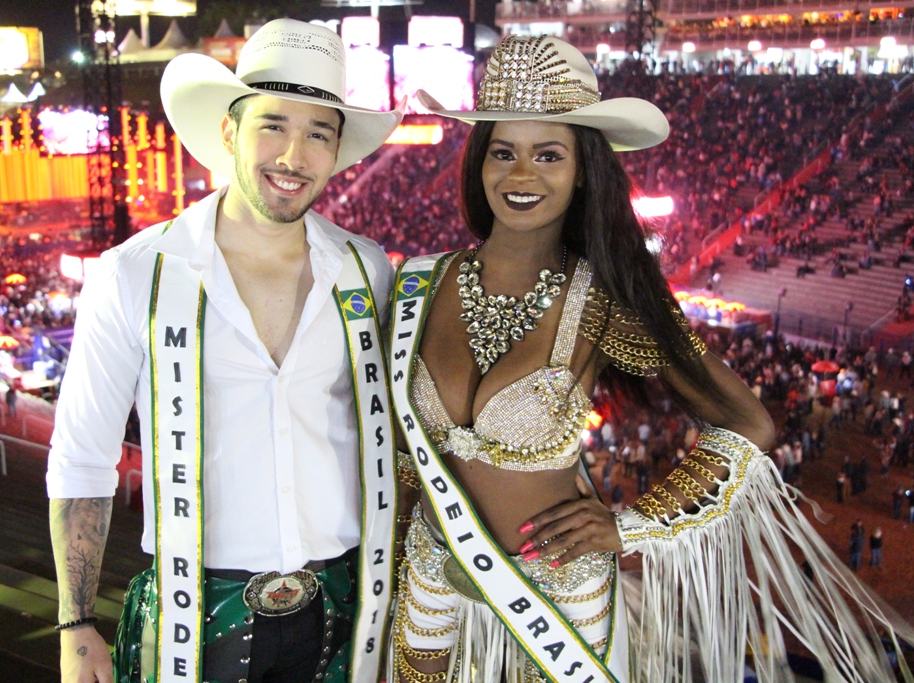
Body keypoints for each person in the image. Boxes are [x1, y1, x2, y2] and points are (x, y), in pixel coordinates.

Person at [385, 35, 912, 683]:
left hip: (556, 604)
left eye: (548, 154)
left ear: (583, 169)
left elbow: (750, 422)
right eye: (503, 152)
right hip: (429, 583)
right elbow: (408, 456)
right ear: (478, 161)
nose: (521, 175)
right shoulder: (421, 283)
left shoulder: (607, 300)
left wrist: (631, 524)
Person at [46, 20, 402, 683]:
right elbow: (82, 459)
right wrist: (75, 624)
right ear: (230, 132)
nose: (293, 154)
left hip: (343, 608)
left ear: (336, 149)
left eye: (318, 132)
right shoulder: (135, 272)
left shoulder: (368, 269)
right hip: (193, 614)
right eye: (273, 124)